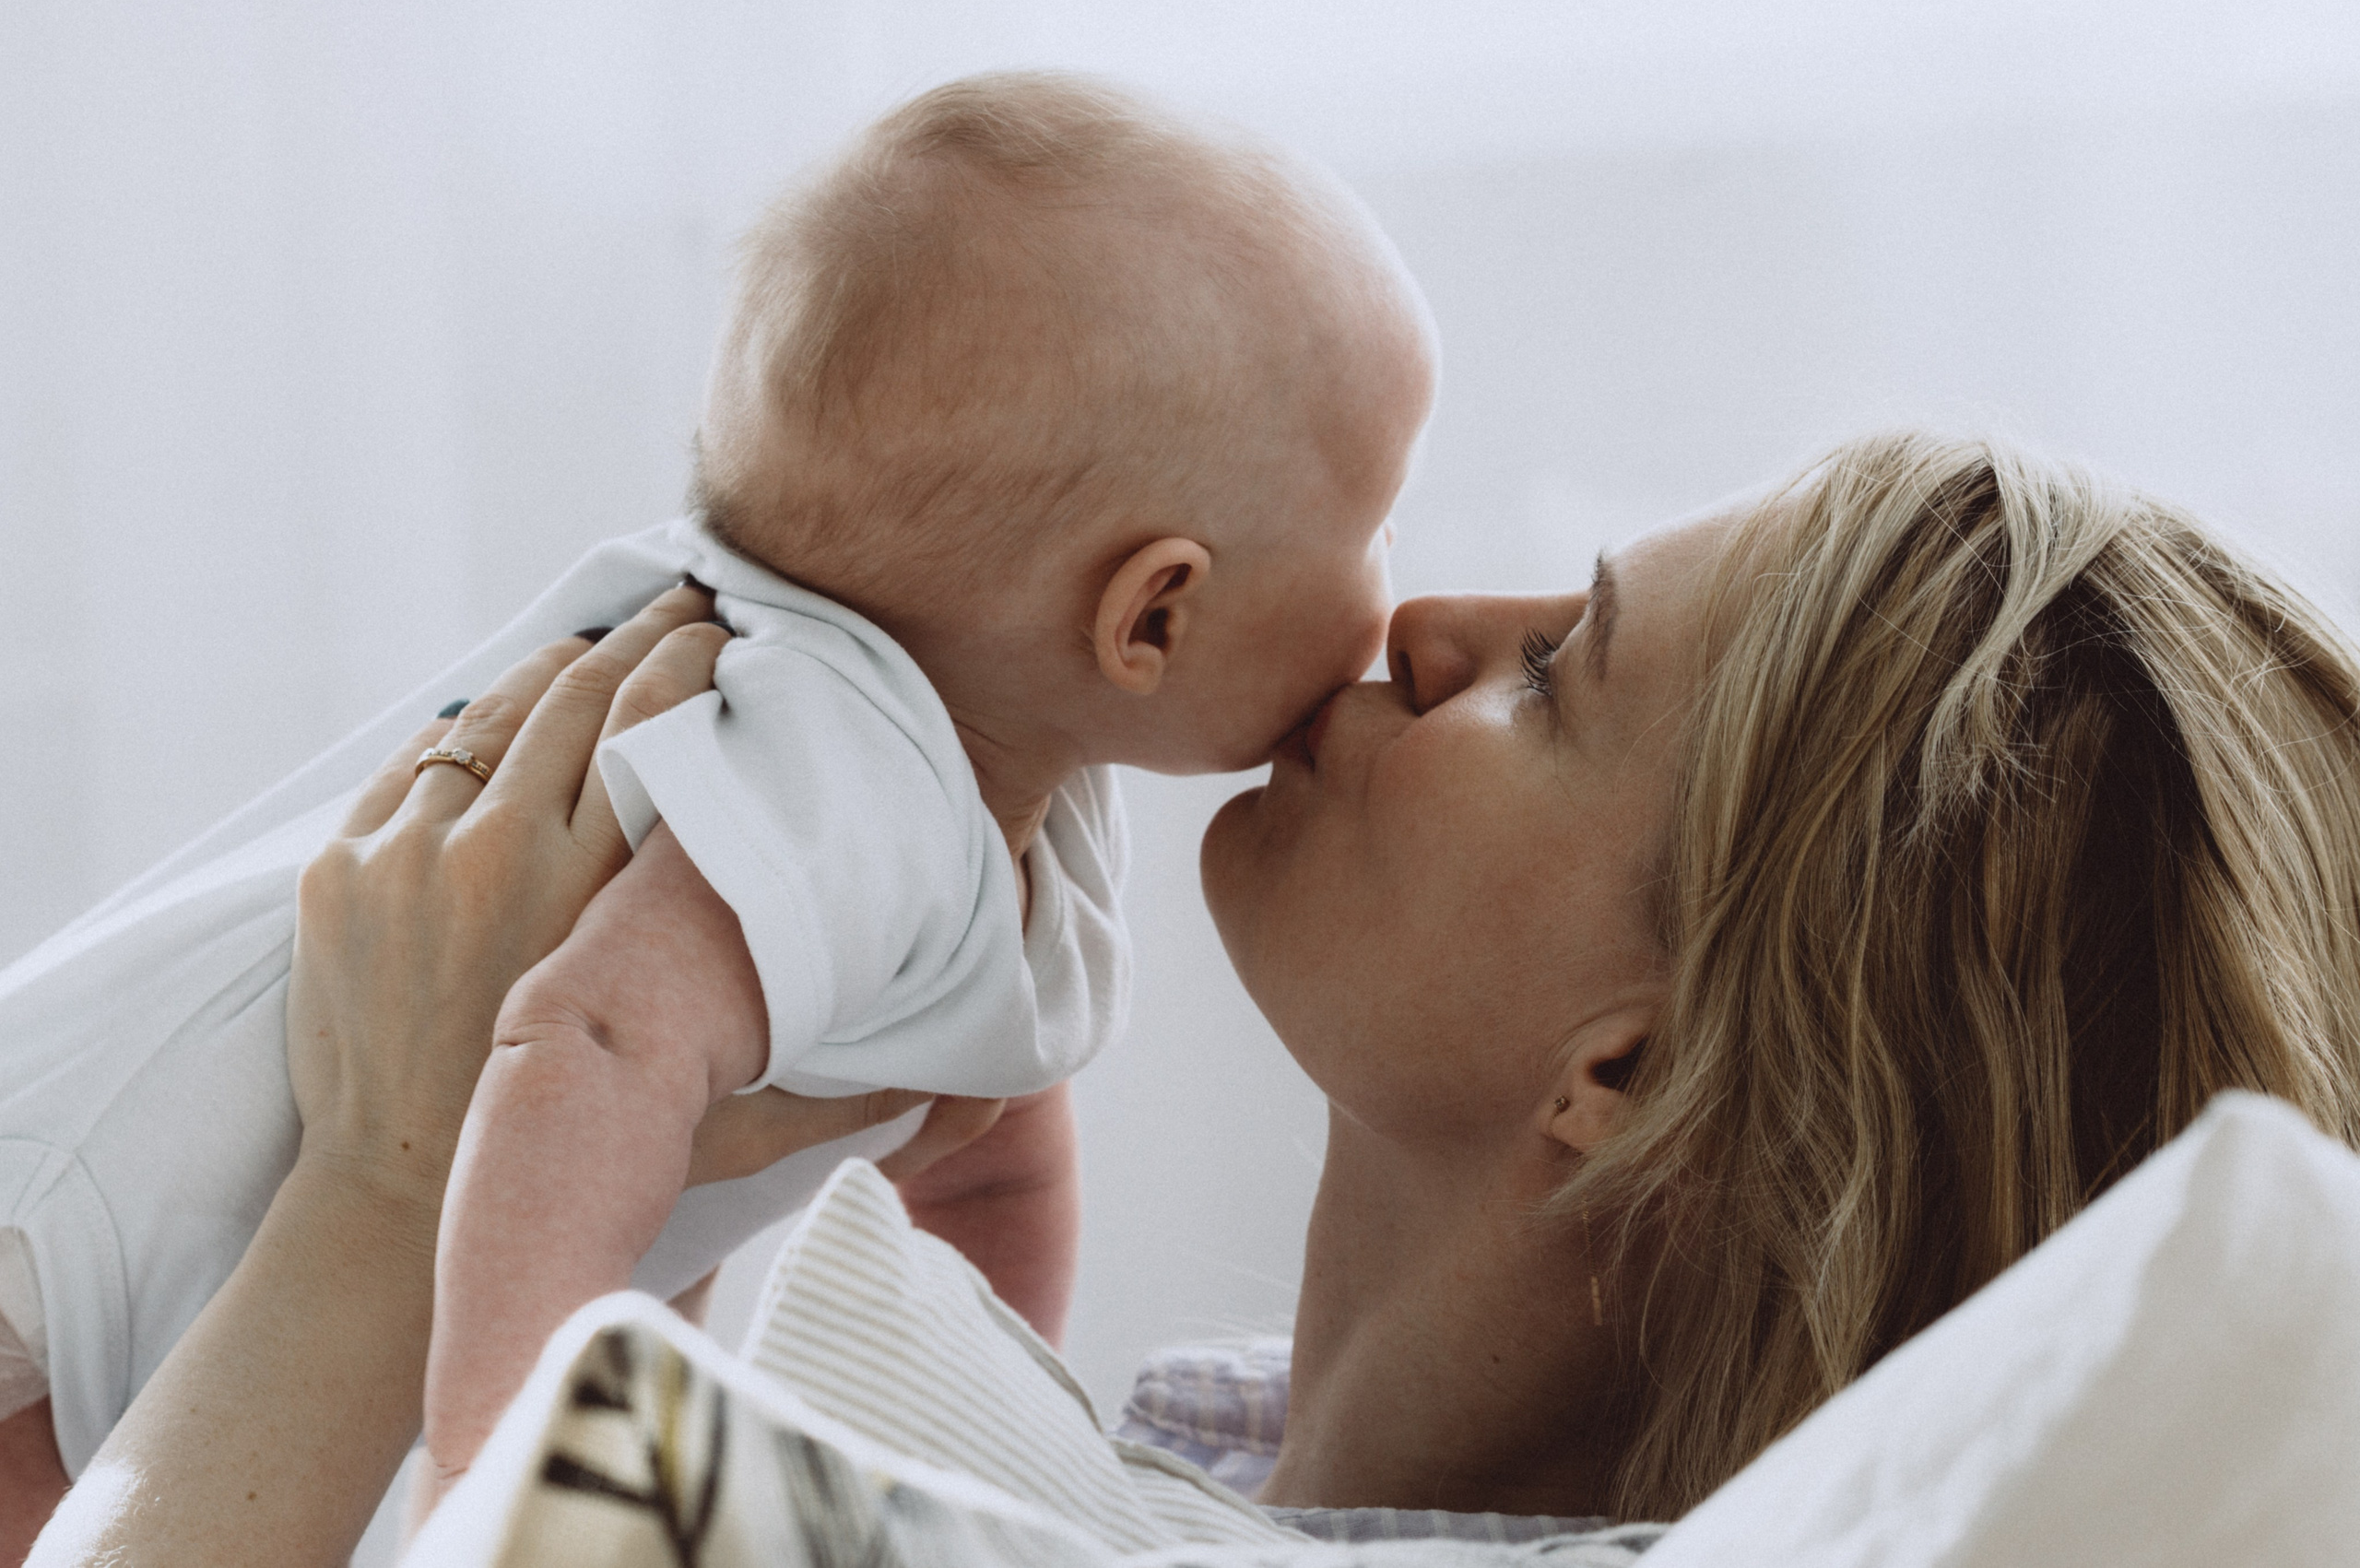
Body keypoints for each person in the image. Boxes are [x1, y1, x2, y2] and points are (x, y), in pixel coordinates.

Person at [25, 430, 2360, 1566]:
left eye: (1556, 673)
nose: (1424, 626)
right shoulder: (1203, 1474)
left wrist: (387, 1177)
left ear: (1635, 1069)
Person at [0, 68, 1437, 1509]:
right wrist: (511, 1476)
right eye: (1377, 523)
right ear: (1152, 617)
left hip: (155, 1295)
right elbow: (585, 1044)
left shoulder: (998, 798)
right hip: (73, 1237)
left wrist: (986, 1461)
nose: (1404, 590)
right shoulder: (846, 771)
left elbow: (985, 1163)